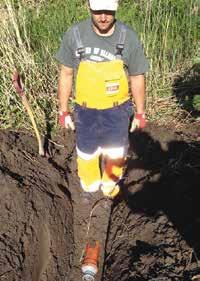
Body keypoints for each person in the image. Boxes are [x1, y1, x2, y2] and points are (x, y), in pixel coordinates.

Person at [56, 0, 149, 198]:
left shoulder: (127, 36)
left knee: (116, 153)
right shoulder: (75, 34)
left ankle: (109, 185)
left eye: (108, 11)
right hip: (85, 111)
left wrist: (140, 113)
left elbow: (137, 76)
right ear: (89, 7)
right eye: (98, 11)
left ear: (116, 8)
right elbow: (66, 73)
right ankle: (89, 186)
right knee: (86, 152)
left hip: (117, 111)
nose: (103, 17)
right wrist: (63, 110)